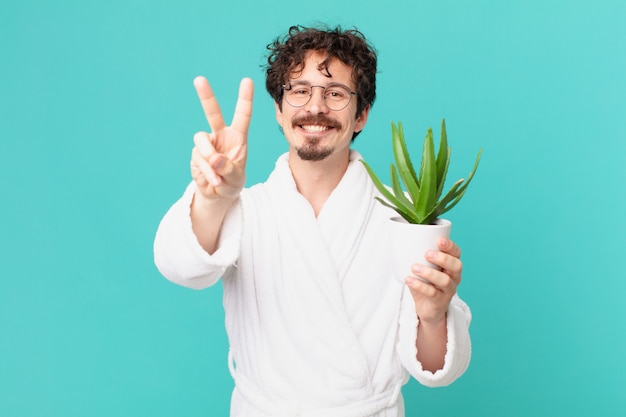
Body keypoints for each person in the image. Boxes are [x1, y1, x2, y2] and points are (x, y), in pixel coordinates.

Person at [154, 25, 471, 417]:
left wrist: (434, 313)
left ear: (361, 116)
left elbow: (437, 369)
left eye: (335, 94)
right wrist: (212, 196)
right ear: (279, 110)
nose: (315, 107)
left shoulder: (406, 219)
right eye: (299, 91)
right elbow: (179, 266)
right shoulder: (244, 209)